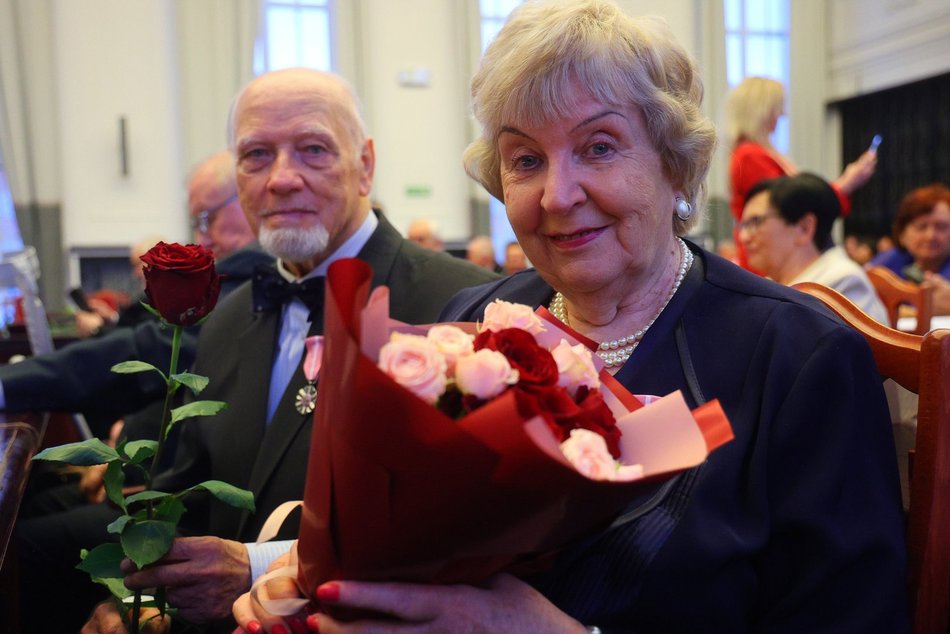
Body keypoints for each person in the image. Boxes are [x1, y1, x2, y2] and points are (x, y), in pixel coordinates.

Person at [232, 2, 907, 633]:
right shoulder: (469, 320)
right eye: (526, 159)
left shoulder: (800, 359)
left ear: (676, 168)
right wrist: (315, 580)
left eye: (599, 147)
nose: (556, 195)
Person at [80, 67, 498, 633]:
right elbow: (190, 489)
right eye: (256, 155)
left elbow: (462, 533)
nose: (281, 179)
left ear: (365, 165)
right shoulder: (227, 316)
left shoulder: (459, 303)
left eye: (313, 149)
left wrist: (257, 567)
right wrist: (137, 596)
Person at [9, 150, 271, 634]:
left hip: (190, 510)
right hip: (159, 480)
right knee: (34, 500)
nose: (203, 233)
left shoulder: (253, 281)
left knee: (23, 545)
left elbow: (151, 355)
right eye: (197, 219)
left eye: (210, 216)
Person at [726, 76, 879, 270]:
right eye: (777, 106)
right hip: (770, 260)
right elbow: (789, 207)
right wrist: (846, 183)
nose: (783, 114)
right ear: (762, 109)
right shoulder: (750, 155)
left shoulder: (753, 153)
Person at [739, 172, 888, 323]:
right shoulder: (770, 285)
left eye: (755, 222)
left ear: (804, 228)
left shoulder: (842, 283)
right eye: (743, 225)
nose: (743, 237)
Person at [73, 234, 164, 338]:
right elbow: (136, 325)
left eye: (136, 264)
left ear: (152, 262)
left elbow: (140, 341)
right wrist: (112, 318)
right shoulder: (153, 298)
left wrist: (97, 329)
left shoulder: (160, 301)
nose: (135, 274)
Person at [869, 183, 950, 285]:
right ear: (902, 235)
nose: (930, 236)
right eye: (921, 227)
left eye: (941, 226)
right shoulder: (886, 264)